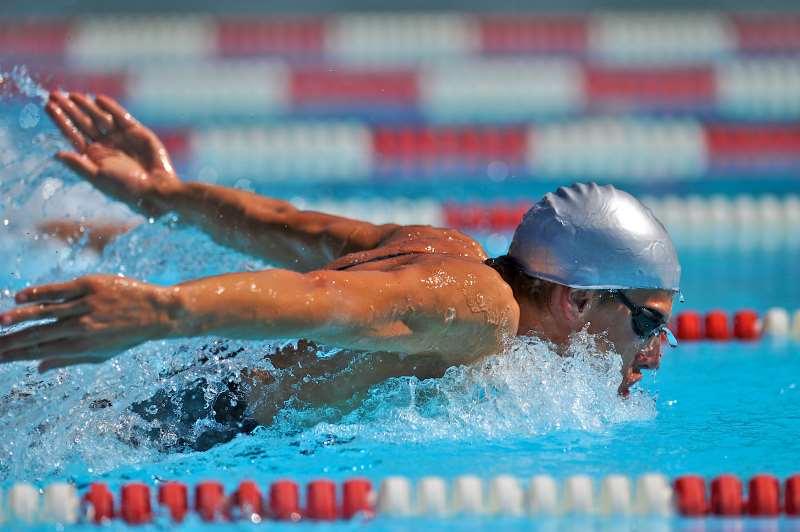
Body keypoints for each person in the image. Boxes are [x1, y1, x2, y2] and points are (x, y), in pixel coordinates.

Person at [0, 92, 680, 435]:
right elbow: (326, 297)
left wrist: (164, 194)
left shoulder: (447, 251)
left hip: (196, 389)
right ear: (579, 300)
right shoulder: (484, 312)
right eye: (649, 323)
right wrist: (158, 310)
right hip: (190, 424)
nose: (657, 349)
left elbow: (288, 228)